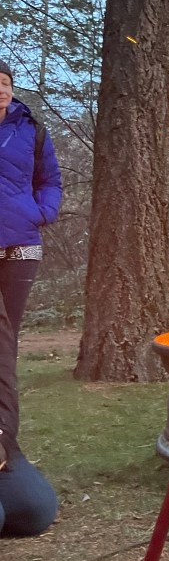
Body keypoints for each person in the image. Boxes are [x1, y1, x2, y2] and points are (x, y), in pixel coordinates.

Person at [0, 58, 62, 536]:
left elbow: (51, 180)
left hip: (20, 244)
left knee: (6, 342)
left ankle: (6, 440)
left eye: (5, 83)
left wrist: (41, 212)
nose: (0, 90)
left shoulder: (31, 130)